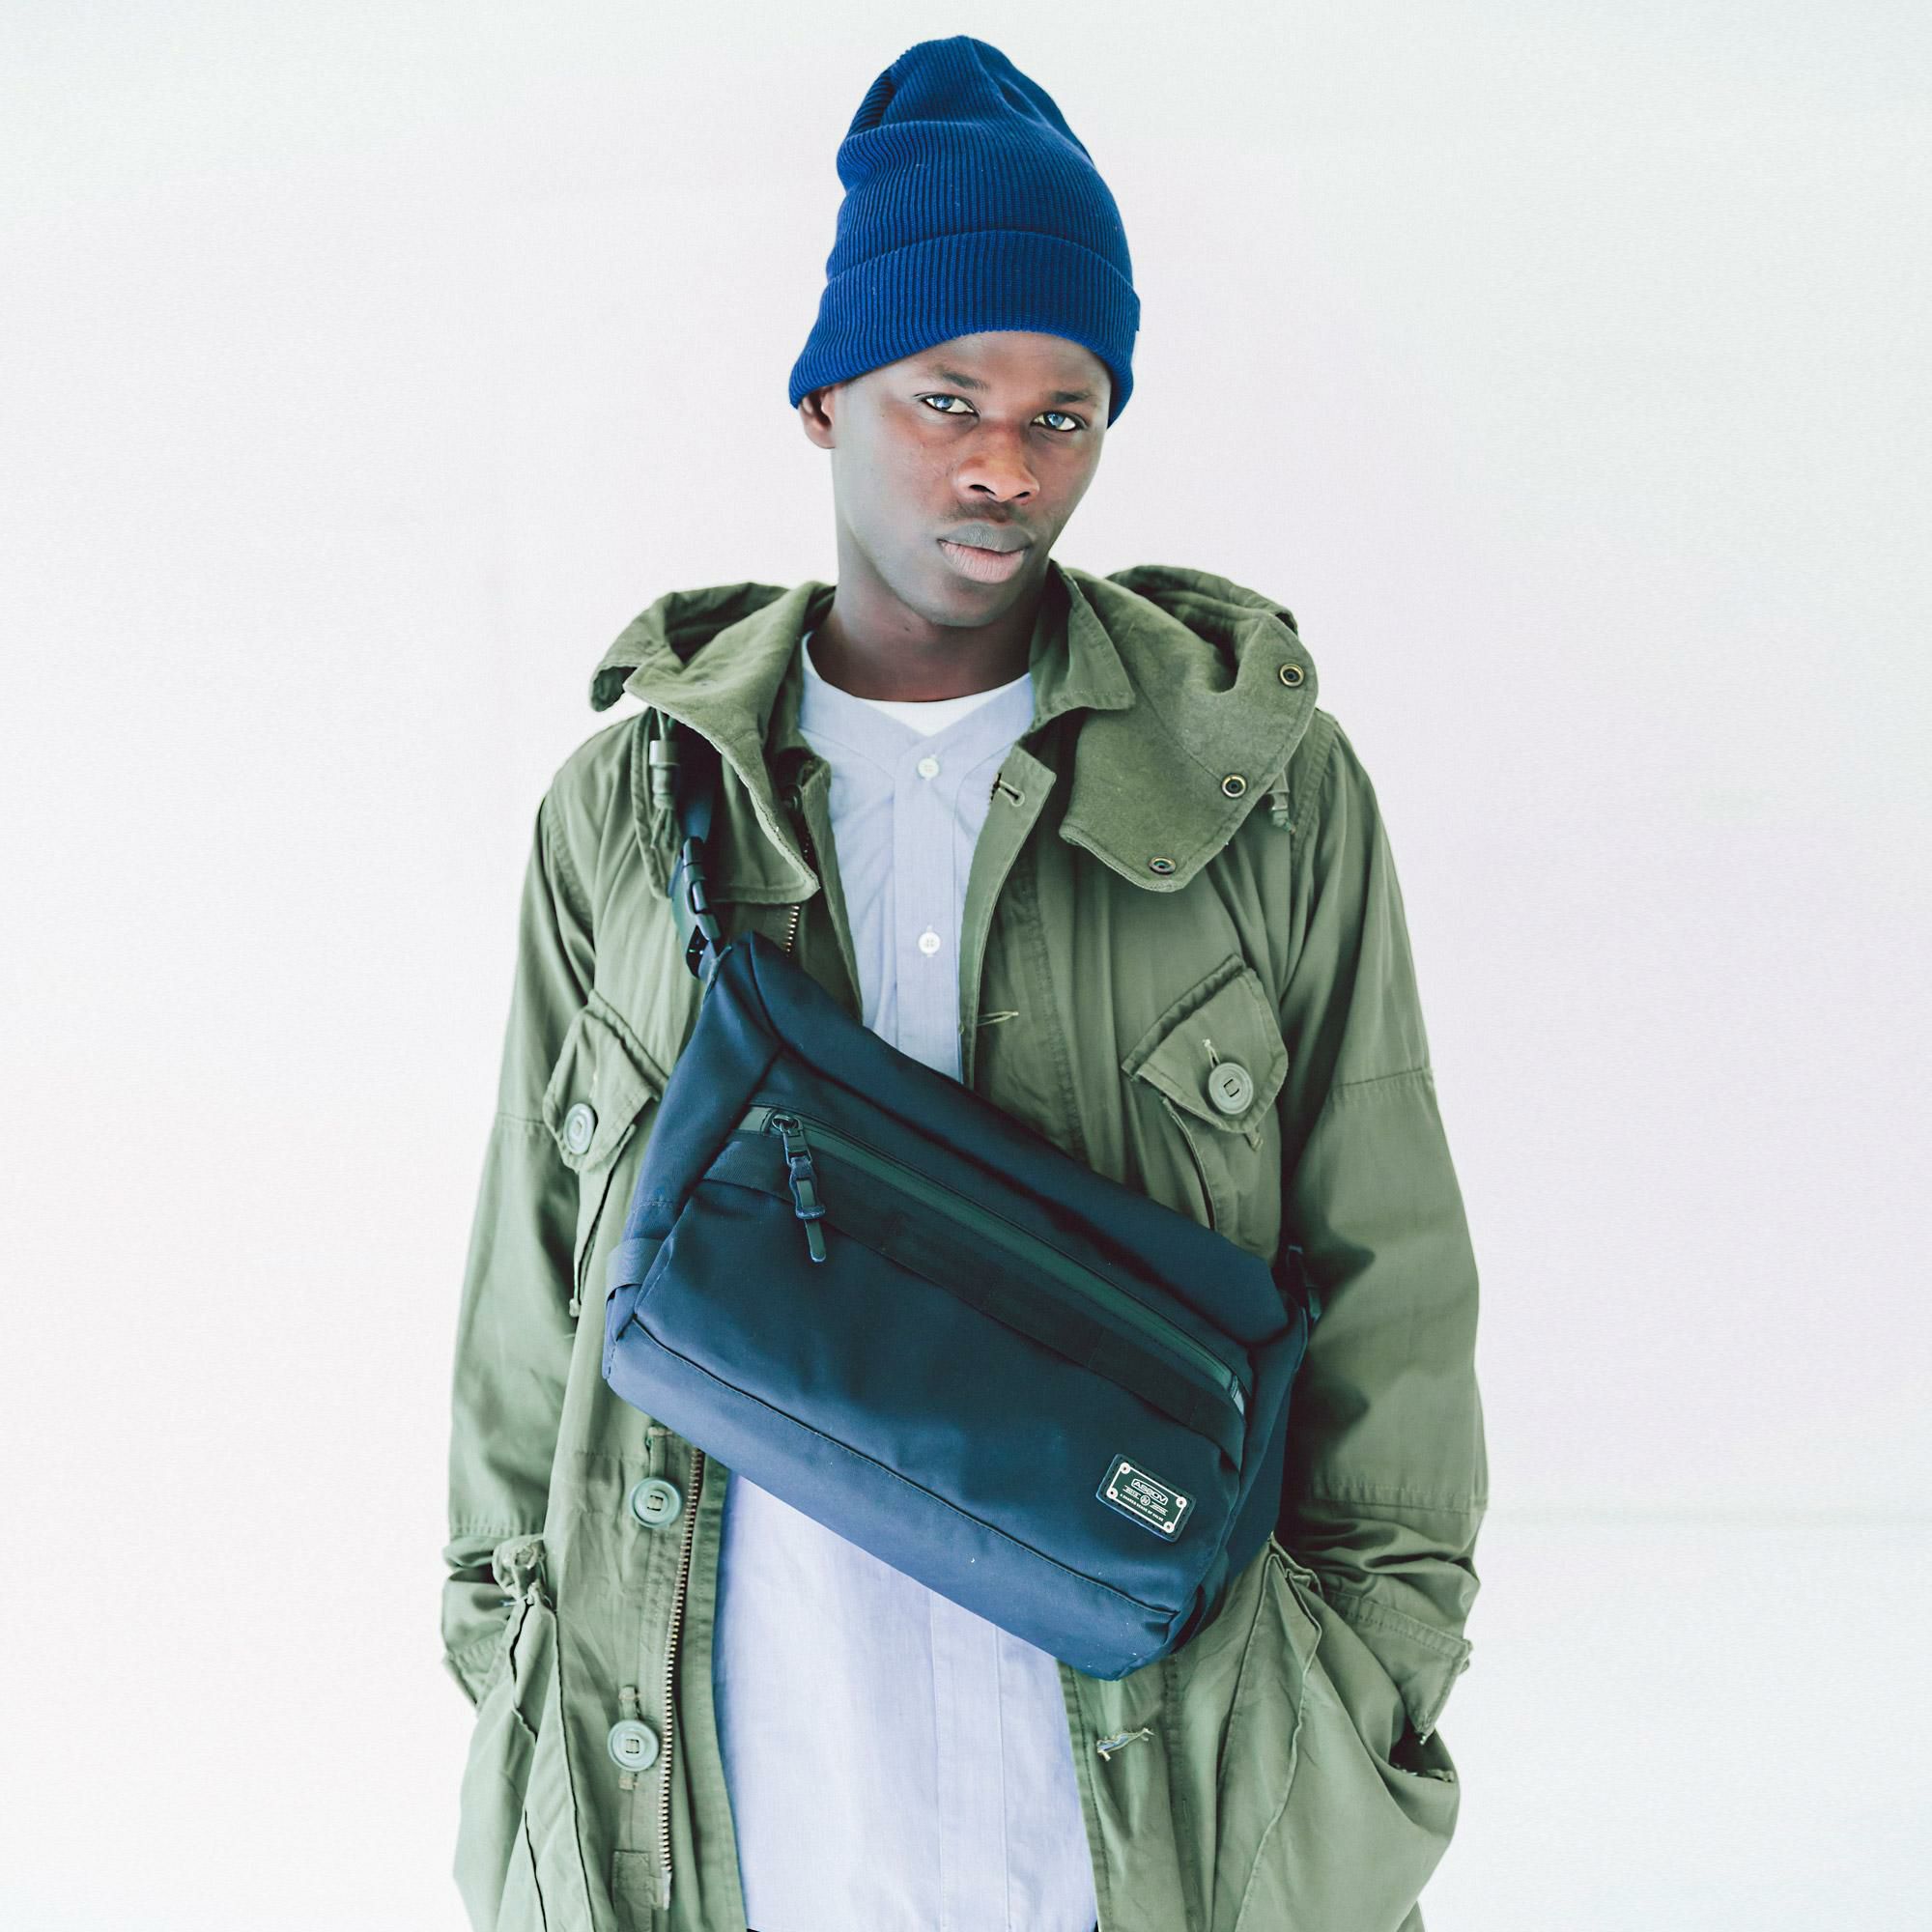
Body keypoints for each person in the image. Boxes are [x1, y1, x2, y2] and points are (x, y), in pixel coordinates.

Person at [441, 35, 1487, 1932]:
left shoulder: (1263, 796)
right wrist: (510, 1644)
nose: (1006, 465)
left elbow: (1391, 1280)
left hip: (1155, 1813)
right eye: (948, 398)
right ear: (825, 398)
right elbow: (532, 1288)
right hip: (728, 1810)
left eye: (1064, 414)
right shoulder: (635, 807)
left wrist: (1356, 1708)